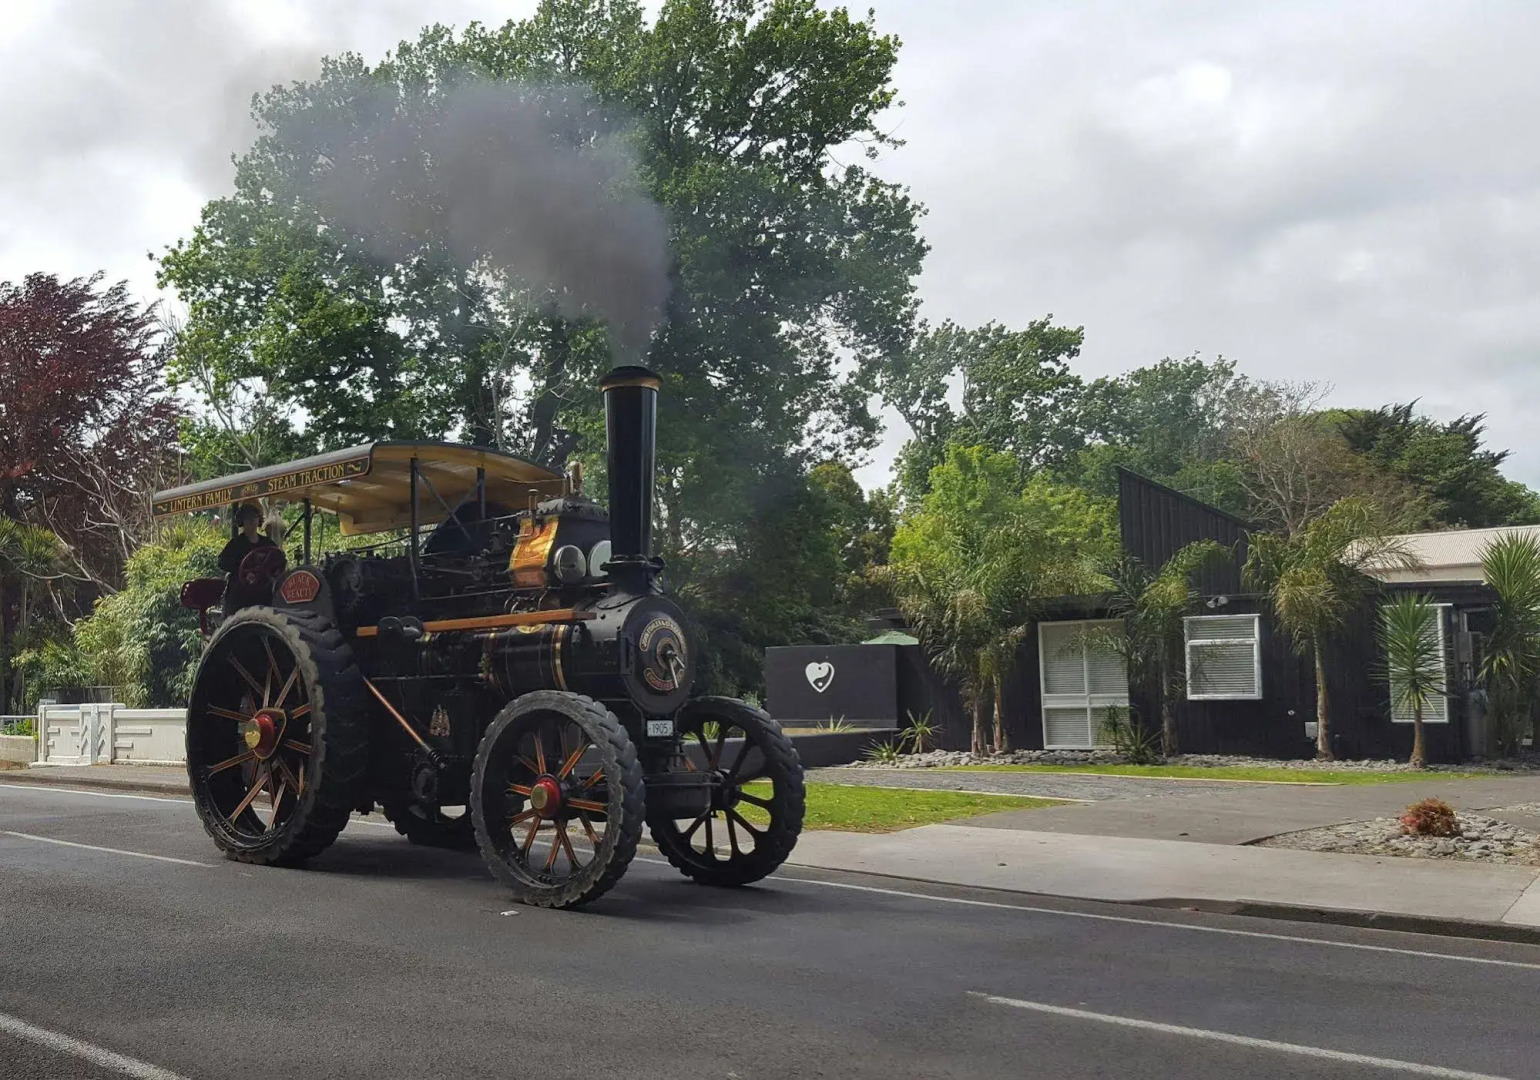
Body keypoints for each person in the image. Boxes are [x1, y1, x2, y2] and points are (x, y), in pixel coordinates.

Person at [219, 504, 278, 575]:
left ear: (259, 519)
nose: (251, 520)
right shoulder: (236, 544)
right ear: (242, 521)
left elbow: (278, 558)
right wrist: (242, 570)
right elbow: (222, 561)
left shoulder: (267, 543)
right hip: (241, 583)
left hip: (263, 583)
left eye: (254, 517)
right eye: (247, 518)